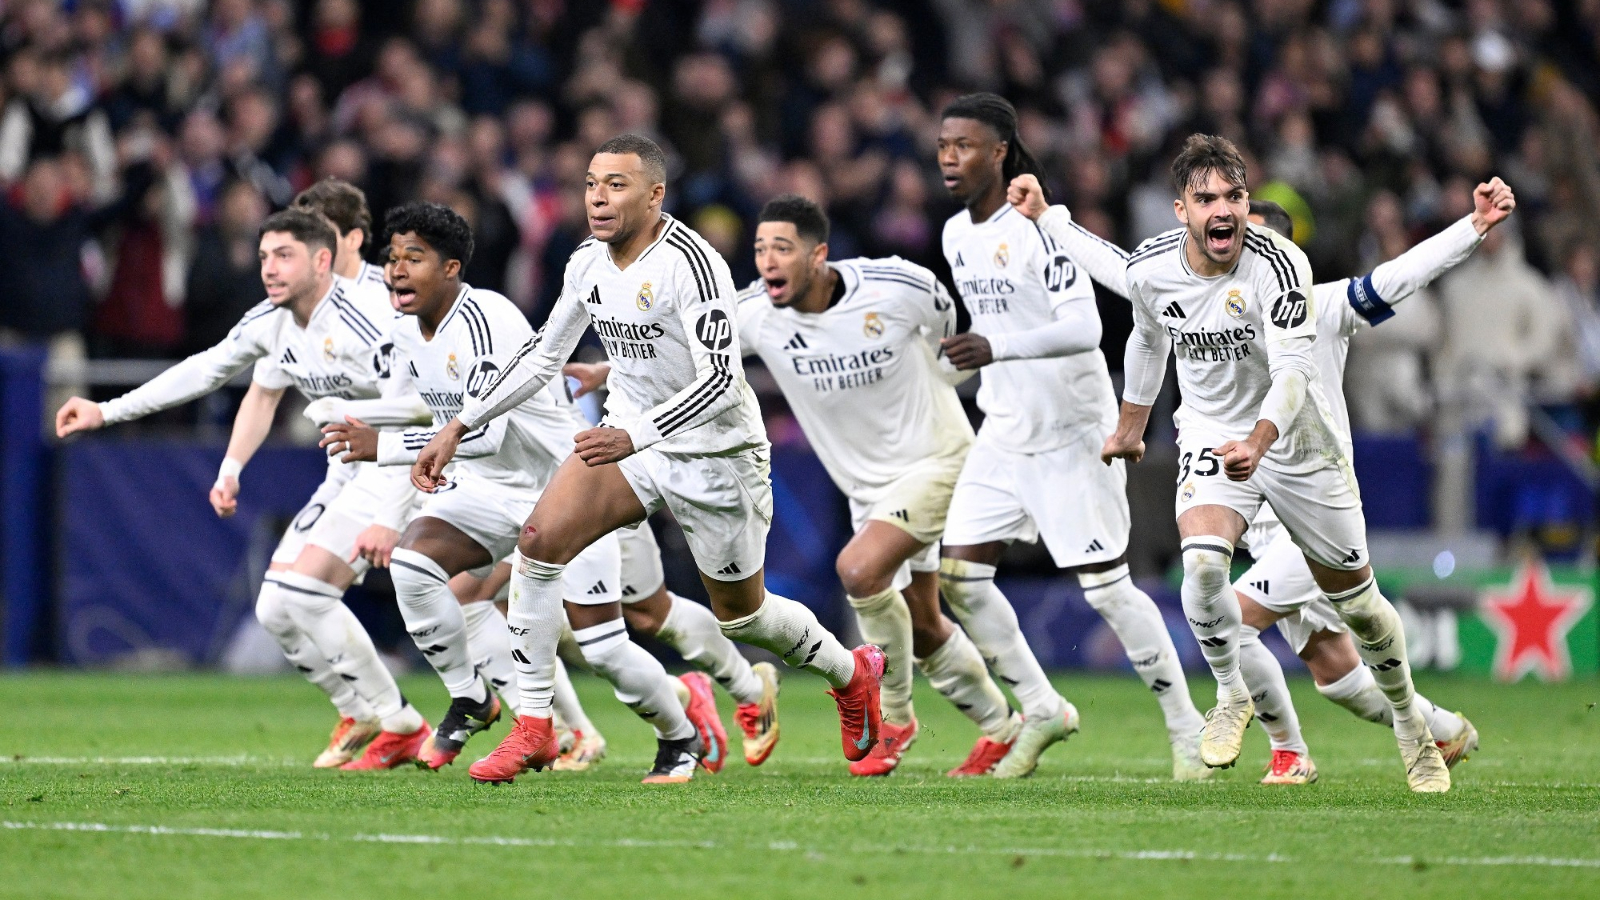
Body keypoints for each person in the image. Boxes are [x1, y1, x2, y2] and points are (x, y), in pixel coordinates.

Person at [410, 134, 884, 784]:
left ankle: (852, 673)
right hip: (629, 438)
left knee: (744, 615)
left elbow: (721, 380)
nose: (598, 198)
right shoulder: (587, 262)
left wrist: (638, 435)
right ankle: (536, 726)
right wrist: (461, 424)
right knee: (539, 545)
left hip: (715, 454)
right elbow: (544, 355)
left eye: (617, 185)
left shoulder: (693, 264)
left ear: (655, 194)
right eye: (591, 184)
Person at [1012, 176, 1510, 784]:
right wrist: (1049, 217)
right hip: (1253, 510)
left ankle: (1290, 750)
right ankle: (1443, 728)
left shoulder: (1321, 305)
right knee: (1338, 677)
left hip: (1307, 499)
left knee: (1240, 619)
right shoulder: (1194, 291)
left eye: (1255, 240)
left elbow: (1401, 275)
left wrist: (1472, 228)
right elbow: (1120, 269)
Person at [568, 193, 1018, 777]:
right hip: (867, 486)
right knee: (924, 620)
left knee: (860, 570)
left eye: (782, 248)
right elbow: (691, 352)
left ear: (818, 254)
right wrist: (608, 369)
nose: (768, 261)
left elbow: (951, 335)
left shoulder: (896, 285)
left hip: (936, 460)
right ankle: (1004, 726)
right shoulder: (754, 311)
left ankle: (895, 717)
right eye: (760, 249)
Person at [319, 201, 721, 782]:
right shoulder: (406, 333)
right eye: (393, 257)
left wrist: (381, 444)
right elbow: (421, 409)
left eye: (414, 257)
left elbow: (484, 432)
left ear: (451, 268)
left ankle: (680, 734)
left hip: (568, 491)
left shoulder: (489, 319)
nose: (397, 269)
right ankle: (471, 696)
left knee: (605, 648)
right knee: (412, 564)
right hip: (491, 489)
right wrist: (352, 415)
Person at [1105, 133, 1450, 792]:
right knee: (1203, 569)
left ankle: (1413, 723)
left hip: (1297, 446)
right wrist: (1131, 425)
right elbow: (1146, 338)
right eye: (1207, 198)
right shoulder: (1150, 267)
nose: (1224, 210)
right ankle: (1234, 695)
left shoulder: (1284, 266)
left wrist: (1259, 444)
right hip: (1213, 431)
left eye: (1234, 195)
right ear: (1181, 209)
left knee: (1361, 610)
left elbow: (1294, 370)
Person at [54, 208, 429, 770]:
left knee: (318, 593)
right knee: (276, 606)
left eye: (284, 256)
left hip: (400, 464)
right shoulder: (272, 321)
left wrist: (379, 453)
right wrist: (107, 411)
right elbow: (205, 369)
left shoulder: (371, 316)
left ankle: (409, 722)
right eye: (263, 257)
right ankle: (364, 711)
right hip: (348, 470)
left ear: (322, 261)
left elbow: (425, 401)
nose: (269, 269)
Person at [935, 93, 1207, 780]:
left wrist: (995, 347)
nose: (949, 157)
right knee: (960, 578)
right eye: (943, 145)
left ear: (999, 152)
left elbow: (1085, 327)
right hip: (1005, 429)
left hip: (1071, 429)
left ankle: (1188, 728)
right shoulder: (955, 234)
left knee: (1108, 590)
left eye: (964, 145)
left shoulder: (1038, 226)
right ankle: (1041, 707)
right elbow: (994, 325)